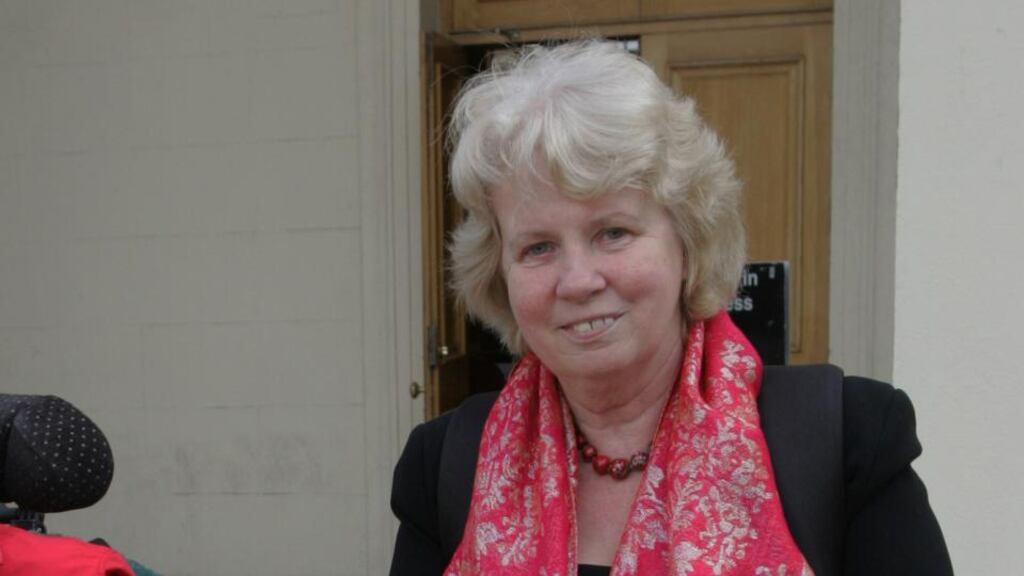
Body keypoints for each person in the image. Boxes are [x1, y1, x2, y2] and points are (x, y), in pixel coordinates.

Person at [390, 40, 952, 576]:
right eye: (538, 247)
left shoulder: (850, 442)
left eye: (613, 232)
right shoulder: (444, 466)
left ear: (687, 244)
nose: (579, 280)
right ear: (499, 273)